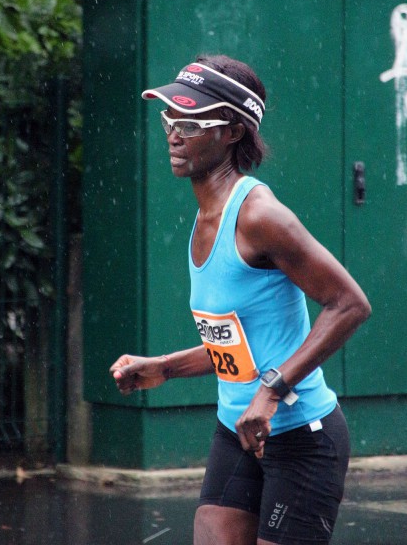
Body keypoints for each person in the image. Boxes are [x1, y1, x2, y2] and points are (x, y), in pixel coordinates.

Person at [110, 54, 371, 545]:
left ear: (230, 131)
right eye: (170, 118)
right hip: (237, 430)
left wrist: (271, 391)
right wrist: (164, 368)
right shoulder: (204, 215)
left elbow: (350, 303)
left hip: (302, 437)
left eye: (191, 122)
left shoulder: (259, 217)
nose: (173, 133)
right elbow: (240, 345)